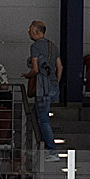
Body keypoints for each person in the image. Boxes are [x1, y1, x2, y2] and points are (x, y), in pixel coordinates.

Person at [21, 20, 63, 161]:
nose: (28, 32)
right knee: (36, 114)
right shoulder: (53, 46)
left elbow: (35, 69)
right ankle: (41, 145)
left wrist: (27, 76)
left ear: (36, 31)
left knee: (43, 119)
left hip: (42, 86)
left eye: (30, 30)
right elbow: (60, 67)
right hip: (52, 85)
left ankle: (51, 151)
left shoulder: (35, 47)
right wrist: (55, 83)